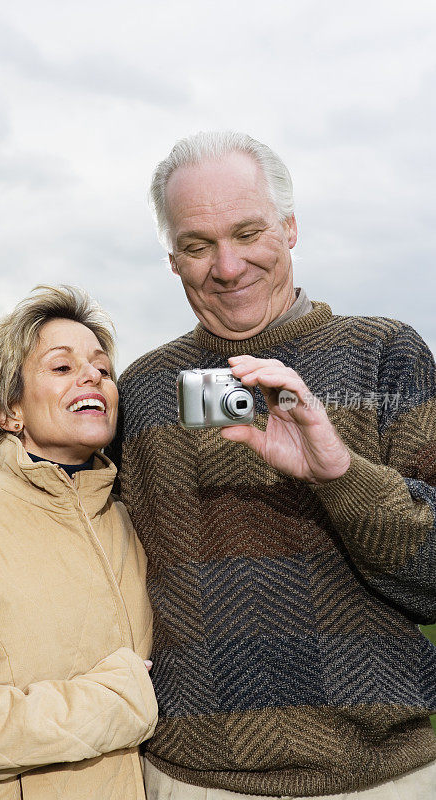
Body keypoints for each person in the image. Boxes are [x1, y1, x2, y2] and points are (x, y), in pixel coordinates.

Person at [111, 133, 436, 798]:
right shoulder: (140, 390)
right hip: (190, 780)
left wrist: (338, 474)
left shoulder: (386, 354)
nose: (226, 267)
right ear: (172, 259)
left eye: (248, 232)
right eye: (197, 245)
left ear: (288, 228)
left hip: (383, 777)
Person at [0, 285, 158, 800]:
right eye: (62, 368)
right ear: (9, 410)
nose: (93, 377)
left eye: (103, 369)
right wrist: (109, 705)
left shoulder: (138, 522)